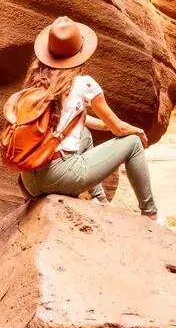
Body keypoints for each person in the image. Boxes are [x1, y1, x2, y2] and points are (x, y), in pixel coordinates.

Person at [12, 15, 159, 217]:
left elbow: (76, 121)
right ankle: (150, 212)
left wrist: (107, 126)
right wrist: (136, 131)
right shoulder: (85, 84)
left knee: (85, 135)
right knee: (133, 143)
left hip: (29, 179)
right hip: (61, 176)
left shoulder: (38, 82)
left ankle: (99, 199)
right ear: (79, 53)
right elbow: (119, 128)